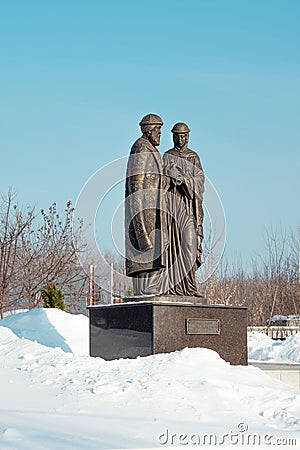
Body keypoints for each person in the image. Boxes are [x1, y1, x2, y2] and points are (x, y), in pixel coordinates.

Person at [125, 114, 168, 296]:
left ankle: (152, 290)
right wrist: (141, 232)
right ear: (149, 131)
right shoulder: (141, 148)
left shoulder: (151, 149)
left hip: (154, 214)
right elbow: (135, 188)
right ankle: (146, 291)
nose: (160, 134)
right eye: (158, 130)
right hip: (144, 216)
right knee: (145, 259)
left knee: (156, 259)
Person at [163, 122, 204, 296]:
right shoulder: (167, 156)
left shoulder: (193, 157)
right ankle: (172, 286)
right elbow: (160, 181)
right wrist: (170, 179)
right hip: (172, 206)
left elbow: (200, 182)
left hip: (188, 207)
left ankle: (190, 286)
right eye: (178, 135)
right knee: (172, 246)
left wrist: (184, 179)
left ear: (188, 136)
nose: (181, 139)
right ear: (173, 137)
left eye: (184, 135)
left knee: (189, 245)